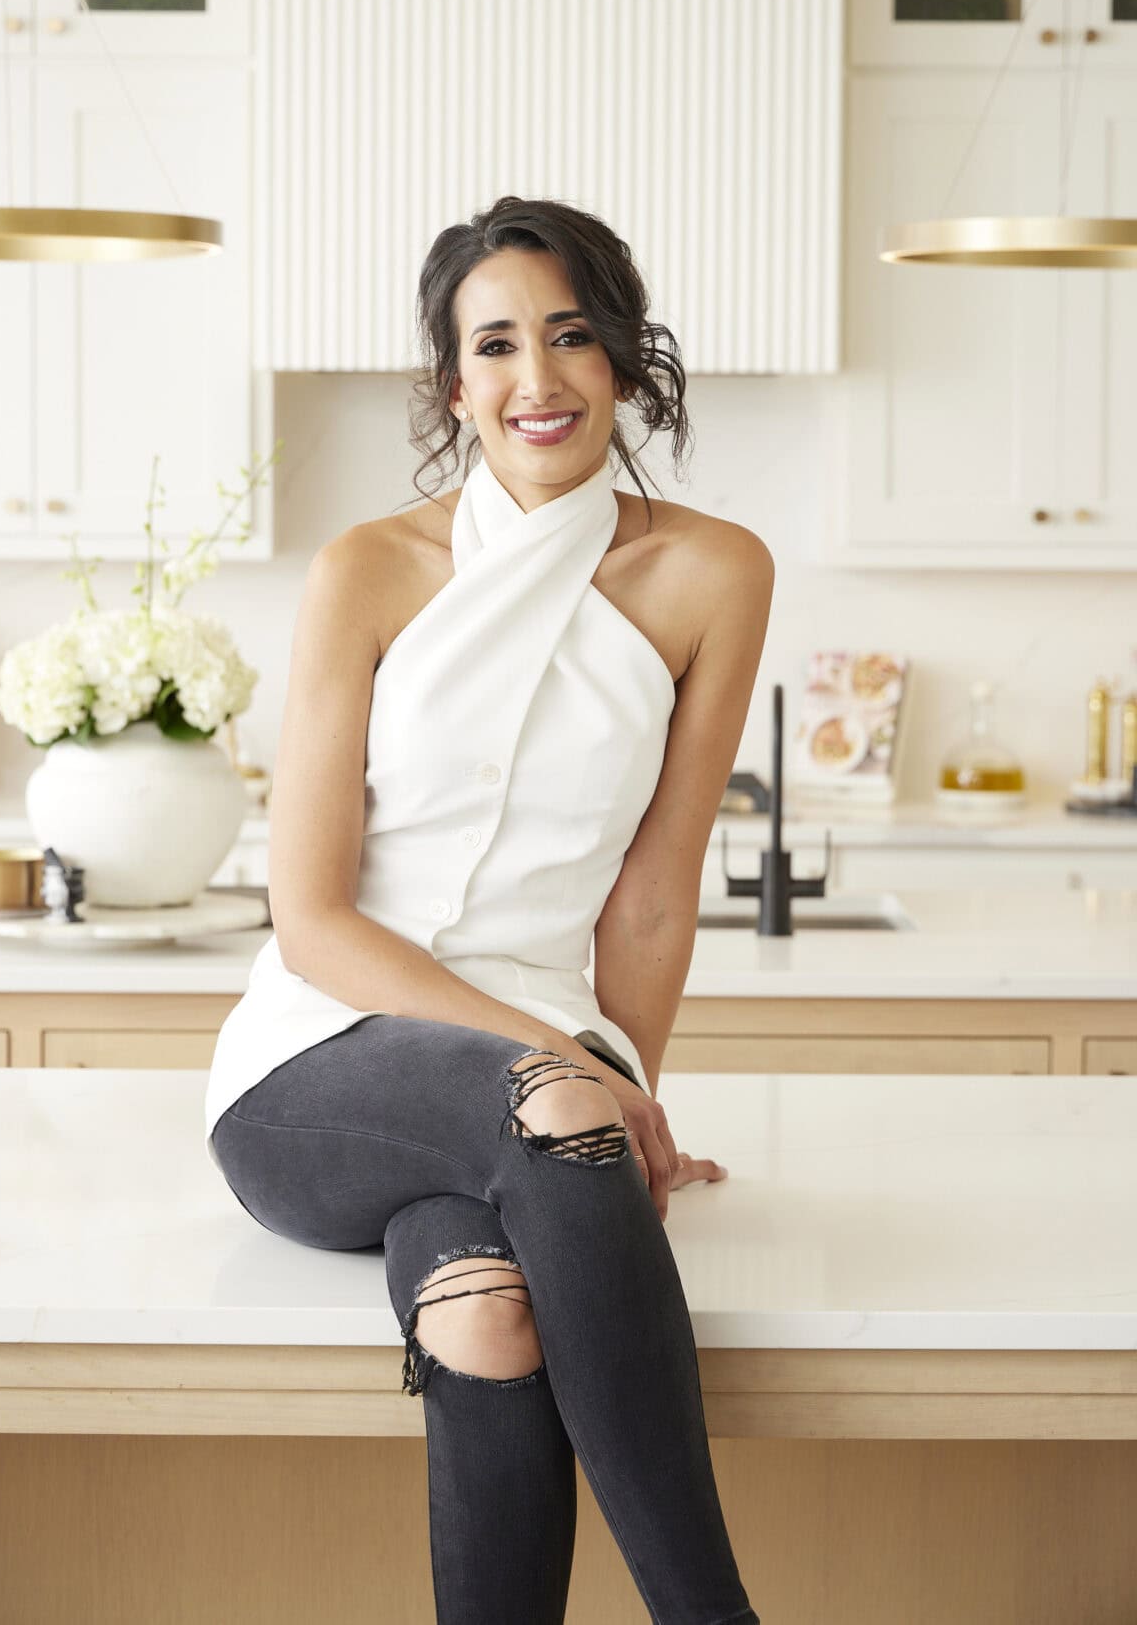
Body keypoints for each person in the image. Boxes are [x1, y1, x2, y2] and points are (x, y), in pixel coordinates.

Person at [204, 195, 774, 1623]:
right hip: (318, 1064)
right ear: (452, 384)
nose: (540, 379)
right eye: (498, 344)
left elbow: (653, 891)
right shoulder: (369, 571)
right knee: (547, 1108)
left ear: (628, 363)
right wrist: (573, 1074)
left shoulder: (712, 571)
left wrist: (628, 1084)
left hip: (537, 1089)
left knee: (488, 1318)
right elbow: (311, 920)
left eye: (573, 335)